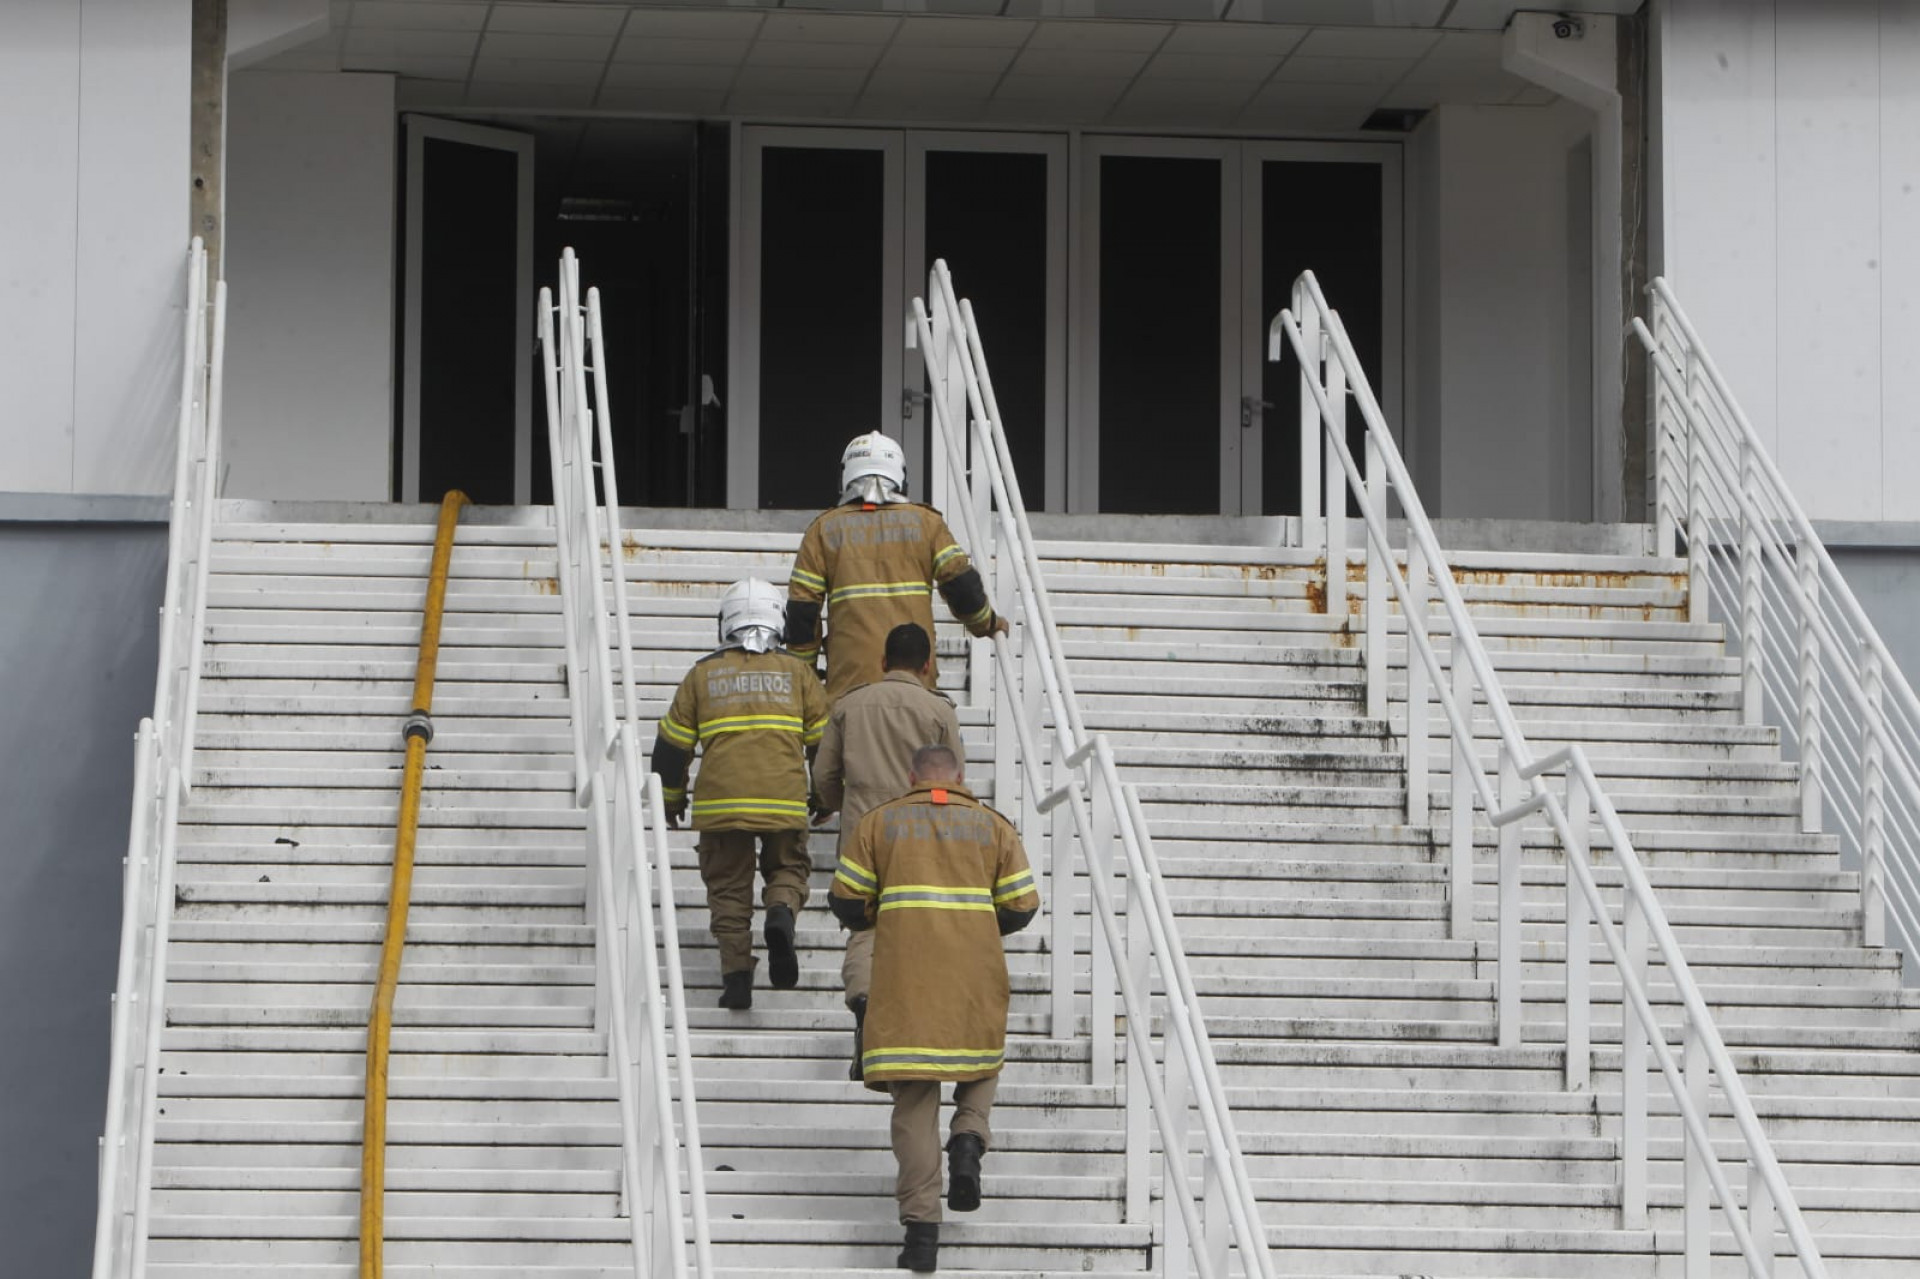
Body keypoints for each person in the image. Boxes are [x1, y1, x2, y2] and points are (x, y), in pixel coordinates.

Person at [829, 744, 1039, 1274]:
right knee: (983, 1062)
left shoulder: (881, 822)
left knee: (914, 1109)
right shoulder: (994, 826)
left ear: (912, 776)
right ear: (961, 777)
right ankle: (968, 1139)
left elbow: (848, 902)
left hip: (905, 984)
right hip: (973, 978)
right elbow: (1022, 904)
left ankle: (921, 1234)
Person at [651, 578, 829, 1011]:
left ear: (725, 621)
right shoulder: (799, 674)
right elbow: (824, 745)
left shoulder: (702, 675)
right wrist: (825, 796)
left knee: (728, 891)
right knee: (788, 868)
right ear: (778, 621)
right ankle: (781, 910)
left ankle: (735, 978)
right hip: (784, 800)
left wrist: (671, 801)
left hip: (720, 805)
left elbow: (672, 748)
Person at [811, 622, 964, 1080]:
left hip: (862, 837)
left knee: (865, 929)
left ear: (882, 662)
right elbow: (954, 779)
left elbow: (822, 778)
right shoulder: (938, 710)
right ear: (927, 665)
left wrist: (842, 805)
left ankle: (864, 1003)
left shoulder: (849, 705)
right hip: (923, 839)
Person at [785, 431, 1009, 706]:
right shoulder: (926, 524)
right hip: (915, 689)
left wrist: (805, 675)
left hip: (848, 693)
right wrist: (987, 623)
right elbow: (961, 586)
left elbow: (801, 614)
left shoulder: (822, 531)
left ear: (846, 475)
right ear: (900, 475)